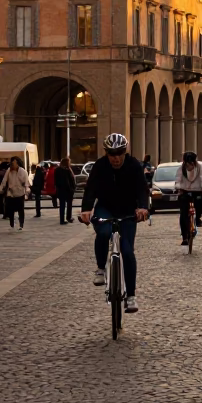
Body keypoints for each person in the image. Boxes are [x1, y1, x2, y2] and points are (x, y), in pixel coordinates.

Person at [79, 133, 148, 313]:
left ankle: (131, 296)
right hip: (105, 208)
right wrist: (86, 210)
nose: (116, 158)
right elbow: (90, 189)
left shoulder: (134, 165)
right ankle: (101, 268)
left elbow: (142, 188)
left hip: (127, 211)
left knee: (127, 251)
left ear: (125, 152)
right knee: (102, 232)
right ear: (106, 154)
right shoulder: (100, 166)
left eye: (119, 153)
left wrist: (143, 207)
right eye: (112, 154)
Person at [176, 151, 202, 246]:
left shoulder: (200, 167)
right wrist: (178, 188)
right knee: (183, 213)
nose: (190, 165)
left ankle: (198, 218)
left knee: (199, 203)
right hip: (185, 190)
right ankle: (185, 237)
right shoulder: (181, 169)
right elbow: (178, 179)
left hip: (197, 189)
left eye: (191, 163)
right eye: (187, 163)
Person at [0, 157, 30, 231]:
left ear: (17, 164)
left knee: (20, 210)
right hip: (11, 193)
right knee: (10, 210)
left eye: (13, 164)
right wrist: (1, 189)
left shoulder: (23, 172)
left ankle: (21, 224)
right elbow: (4, 181)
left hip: (20, 194)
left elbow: (26, 183)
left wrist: (27, 191)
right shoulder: (9, 171)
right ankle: (12, 224)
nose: (12, 166)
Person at [56, 157, 76, 224]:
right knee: (69, 204)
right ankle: (68, 217)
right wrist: (72, 189)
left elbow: (56, 181)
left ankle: (62, 219)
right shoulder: (67, 170)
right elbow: (69, 181)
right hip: (67, 190)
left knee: (62, 205)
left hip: (61, 190)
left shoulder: (57, 170)